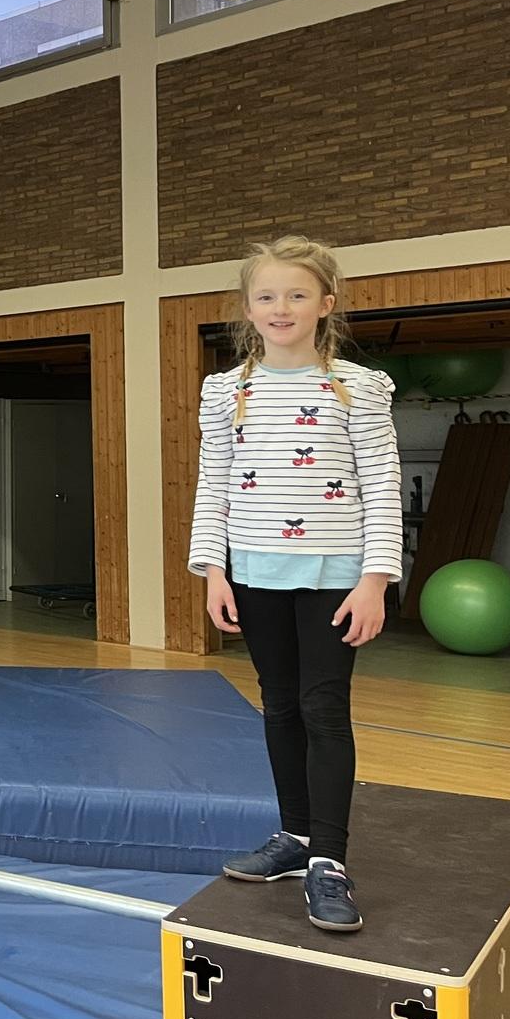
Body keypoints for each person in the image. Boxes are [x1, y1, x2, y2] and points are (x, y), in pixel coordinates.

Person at [190, 236, 401, 934]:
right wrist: (213, 571)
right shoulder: (226, 390)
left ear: (325, 305)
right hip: (252, 574)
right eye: (266, 296)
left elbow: (379, 483)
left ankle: (328, 861)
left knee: (320, 707)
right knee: (277, 704)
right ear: (247, 308)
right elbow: (212, 486)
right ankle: (295, 838)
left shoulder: (357, 386)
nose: (280, 308)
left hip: (332, 575)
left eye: (297, 294)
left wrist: (374, 580)